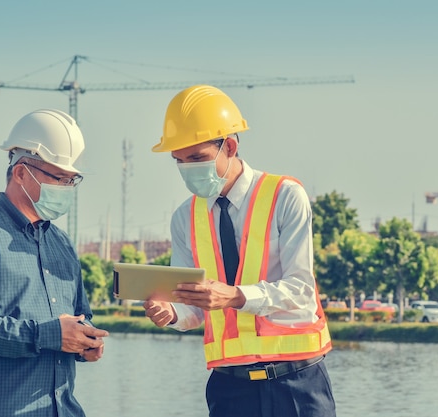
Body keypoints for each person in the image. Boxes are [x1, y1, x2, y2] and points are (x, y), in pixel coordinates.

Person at [144, 85, 336, 417]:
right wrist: (172, 313)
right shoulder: (184, 218)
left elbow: (301, 291)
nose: (187, 170)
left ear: (230, 146)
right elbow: (194, 309)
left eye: (197, 159)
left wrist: (234, 296)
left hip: (297, 384)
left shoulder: (285, 196)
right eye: (179, 161)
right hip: (230, 390)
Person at [0, 109, 109, 417]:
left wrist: (85, 341)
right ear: (20, 172)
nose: (67, 187)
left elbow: (79, 318)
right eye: (59, 178)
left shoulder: (62, 244)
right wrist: (46, 335)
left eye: (73, 180)